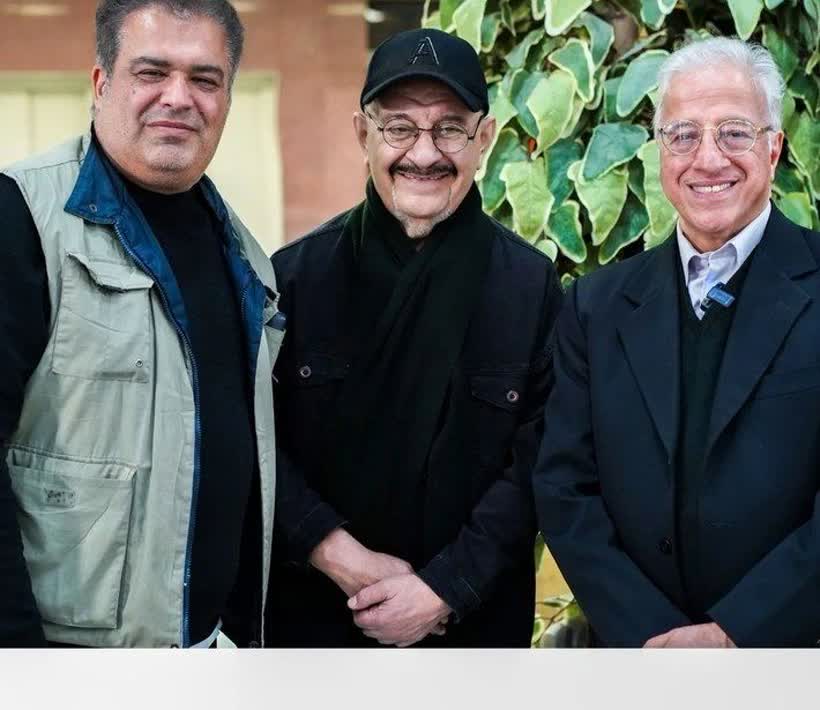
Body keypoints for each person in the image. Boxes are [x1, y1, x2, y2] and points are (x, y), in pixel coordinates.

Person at [267, 28, 562, 647]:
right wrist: (340, 556)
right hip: (317, 628)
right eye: (399, 127)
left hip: (474, 631)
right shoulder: (294, 278)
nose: (423, 154)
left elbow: (542, 460)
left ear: (485, 137)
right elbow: (256, 443)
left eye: (450, 128)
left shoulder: (532, 287)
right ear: (363, 134)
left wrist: (446, 587)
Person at [0, 0, 282, 648]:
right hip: (70, 662)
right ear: (102, 83)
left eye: (205, 79)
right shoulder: (23, 216)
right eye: (152, 72)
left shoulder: (244, 254)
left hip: (213, 648)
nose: (178, 98)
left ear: (227, 98)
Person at [533, 37, 820, 647]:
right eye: (684, 135)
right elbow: (565, 487)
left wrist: (736, 632)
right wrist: (653, 635)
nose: (708, 158)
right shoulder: (595, 306)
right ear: (660, 153)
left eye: (735, 133)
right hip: (637, 655)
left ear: (774, 148)